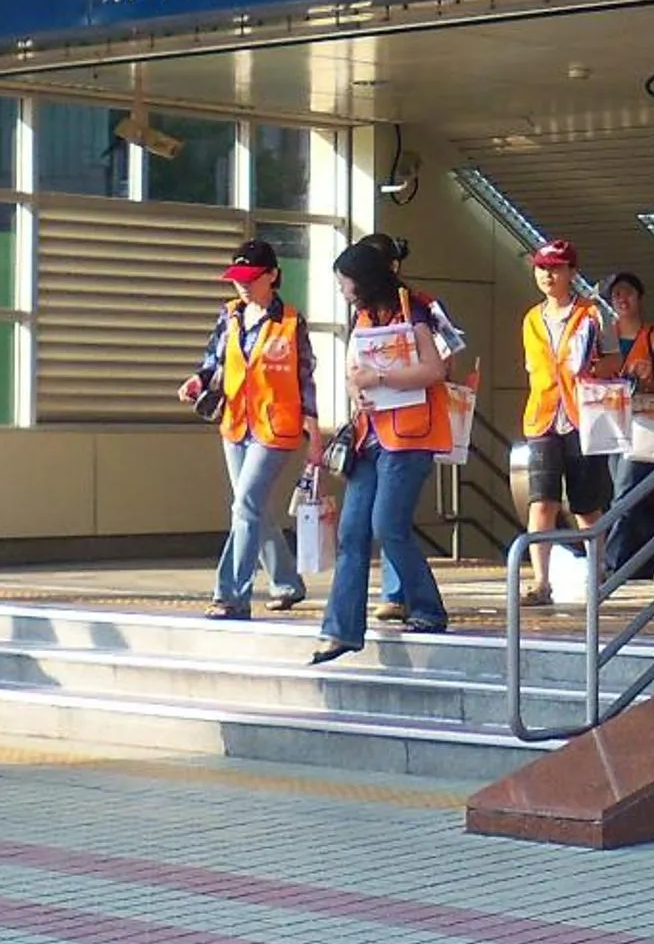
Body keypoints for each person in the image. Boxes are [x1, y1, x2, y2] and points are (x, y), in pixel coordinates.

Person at [312, 238, 459, 664]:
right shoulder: (364, 316)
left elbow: (434, 369)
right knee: (352, 532)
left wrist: (380, 378)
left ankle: (428, 608)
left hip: (411, 436)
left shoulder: (412, 309)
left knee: (388, 525)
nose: (343, 292)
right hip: (370, 435)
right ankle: (340, 629)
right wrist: (356, 388)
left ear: (365, 281)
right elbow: (354, 372)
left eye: (346, 284)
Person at [180, 239, 322, 620]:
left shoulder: (291, 322)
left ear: (272, 275)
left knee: (244, 506)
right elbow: (213, 359)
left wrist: (314, 431)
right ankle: (286, 583)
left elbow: (305, 376)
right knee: (255, 507)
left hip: (276, 427)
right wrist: (197, 380)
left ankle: (231, 596)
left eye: (250, 278)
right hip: (236, 424)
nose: (242, 286)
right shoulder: (230, 315)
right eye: (236, 279)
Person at [514, 240, 610, 608]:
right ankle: (541, 581)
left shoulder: (593, 314)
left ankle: (597, 574)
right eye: (541, 268)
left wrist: (589, 367)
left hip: (582, 416)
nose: (547, 275)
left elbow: (613, 361)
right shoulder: (531, 318)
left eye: (555, 268)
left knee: (586, 505)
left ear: (572, 272)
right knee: (542, 502)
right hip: (542, 416)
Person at [600, 272, 654, 581]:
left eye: (627, 292)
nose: (621, 299)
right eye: (615, 295)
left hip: (644, 424)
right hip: (611, 423)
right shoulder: (606, 337)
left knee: (625, 493)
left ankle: (610, 564)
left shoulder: (653, 338)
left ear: (639, 297)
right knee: (634, 498)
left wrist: (645, 382)